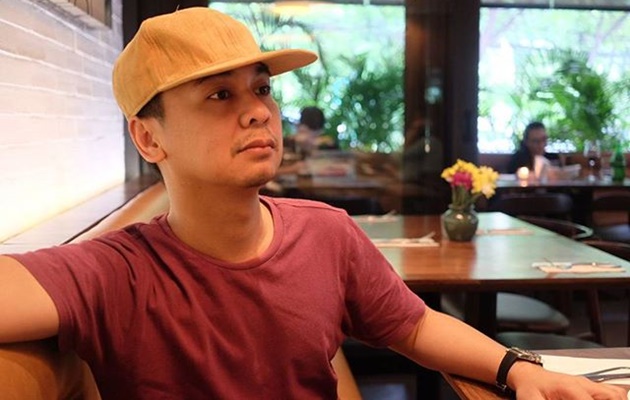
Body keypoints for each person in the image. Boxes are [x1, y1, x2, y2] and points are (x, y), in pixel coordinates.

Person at [0, 7, 626, 400]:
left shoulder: (326, 232)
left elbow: (413, 325)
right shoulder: (117, 271)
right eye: (219, 95)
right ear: (148, 137)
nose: (259, 111)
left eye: (262, 89)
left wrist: (518, 368)